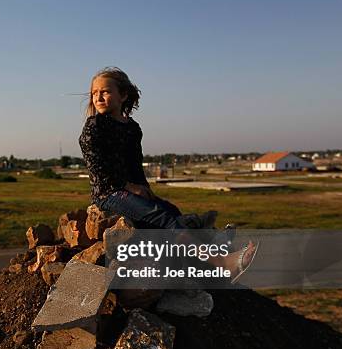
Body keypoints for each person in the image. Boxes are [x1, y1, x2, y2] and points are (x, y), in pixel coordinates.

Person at [78, 67, 257, 283]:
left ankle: (202, 260)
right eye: (94, 93)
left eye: (105, 91)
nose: (98, 96)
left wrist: (144, 189)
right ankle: (223, 263)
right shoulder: (94, 126)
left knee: (171, 211)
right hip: (109, 193)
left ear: (123, 95)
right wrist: (128, 186)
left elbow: (135, 165)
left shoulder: (132, 128)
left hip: (129, 189)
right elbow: (97, 168)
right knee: (162, 218)